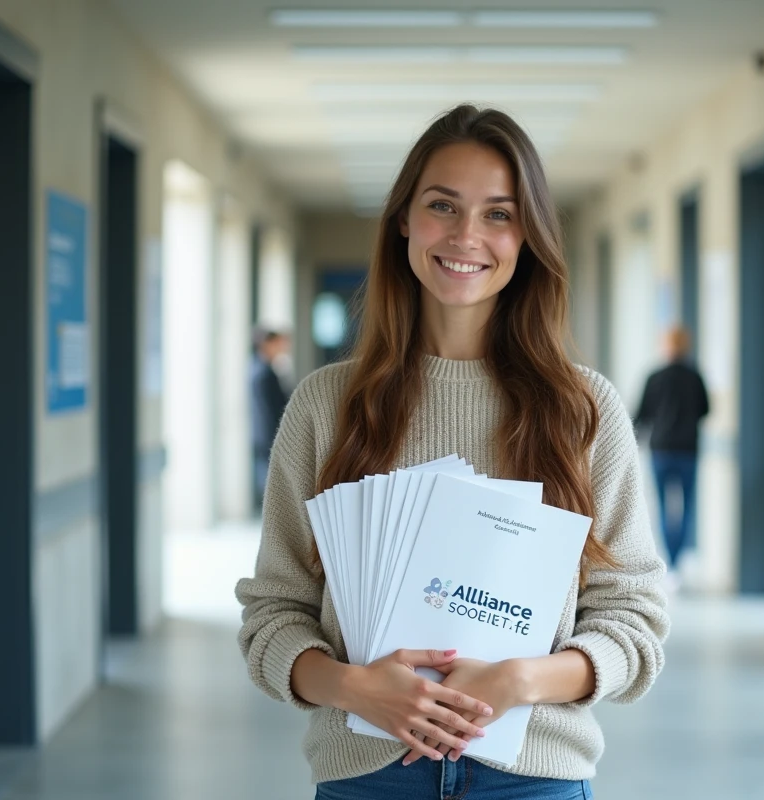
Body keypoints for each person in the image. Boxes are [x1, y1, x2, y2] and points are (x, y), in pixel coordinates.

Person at [236, 105, 669, 800]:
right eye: (443, 206)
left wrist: (518, 680)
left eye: (499, 214)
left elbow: (634, 618)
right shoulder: (325, 405)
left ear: (528, 236)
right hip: (366, 779)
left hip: (533, 781)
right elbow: (273, 615)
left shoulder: (583, 410)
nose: (468, 236)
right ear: (404, 218)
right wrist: (355, 688)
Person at [633, 327, 710, 585]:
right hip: (688, 448)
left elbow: (642, 414)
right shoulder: (695, 376)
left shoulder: (655, 377)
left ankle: (671, 560)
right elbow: (705, 410)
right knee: (687, 505)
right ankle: (677, 559)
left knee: (665, 505)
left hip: (662, 448)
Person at [250, 328, 291, 511]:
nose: (283, 348)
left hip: (265, 436)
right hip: (269, 436)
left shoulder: (260, 370)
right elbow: (273, 410)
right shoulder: (264, 374)